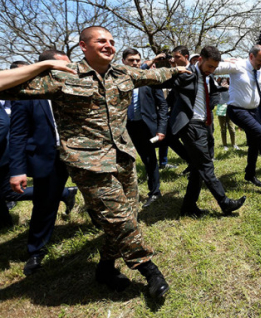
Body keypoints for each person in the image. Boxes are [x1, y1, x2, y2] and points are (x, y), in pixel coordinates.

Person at [0, 26, 191, 299]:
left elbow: (152, 74)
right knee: (119, 217)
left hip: (122, 157)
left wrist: (177, 70)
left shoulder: (122, 73)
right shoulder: (63, 76)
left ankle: (105, 268)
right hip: (87, 162)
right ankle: (149, 269)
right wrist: (44, 64)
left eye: (112, 42)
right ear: (83, 46)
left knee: (128, 215)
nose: (109, 45)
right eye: (101, 41)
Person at [7, 51, 78, 276]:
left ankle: (101, 226)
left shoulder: (76, 89)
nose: (69, 69)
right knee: (45, 204)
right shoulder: (28, 94)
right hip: (48, 158)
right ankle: (36, 250)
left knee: (98, 195)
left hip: (81, 155)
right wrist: (17, 170)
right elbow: (18, 134)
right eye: (62, 65)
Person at [165, 46, 246, 218]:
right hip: (191, 125)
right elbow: (163, 82)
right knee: (206, 165)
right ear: (200, 59)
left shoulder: (209, 77)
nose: (212, 70)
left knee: (197, 167)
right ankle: (225, 203)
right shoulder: (186, 74)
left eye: (215, 68)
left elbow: (214, 91)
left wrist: (212, 103)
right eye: (209, 66)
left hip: (205, 124)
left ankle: (188, 206)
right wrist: (170, 68)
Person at [215, 45, 261, 188]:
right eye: (260, 60)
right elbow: (214, 69)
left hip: (255, 111)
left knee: (254, 143)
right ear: (251, 56)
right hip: (237, 110)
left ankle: (250, 174)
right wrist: (222, 59)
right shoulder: (237, 66)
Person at [122, 48, 168, 208]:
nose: (135, 63)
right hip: (125, 128)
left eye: (137, 60)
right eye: (131, 60)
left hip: (145, 127)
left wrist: (161, 128)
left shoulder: (149, 80)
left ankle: (154, 192)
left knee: (149, 160)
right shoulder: (118, 80)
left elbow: (162, 105)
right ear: (124, 62)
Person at [216, 78, 238, 151]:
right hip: (221, 111)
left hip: (230, 110)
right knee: (223, 129)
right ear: (221, 83)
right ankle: (225, 145)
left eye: (226, 82)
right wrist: (221, 87)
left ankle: (234, 144)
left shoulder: (231, 89)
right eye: (223, 82)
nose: (225, 83)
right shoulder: (218, 90)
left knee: (232, 128)